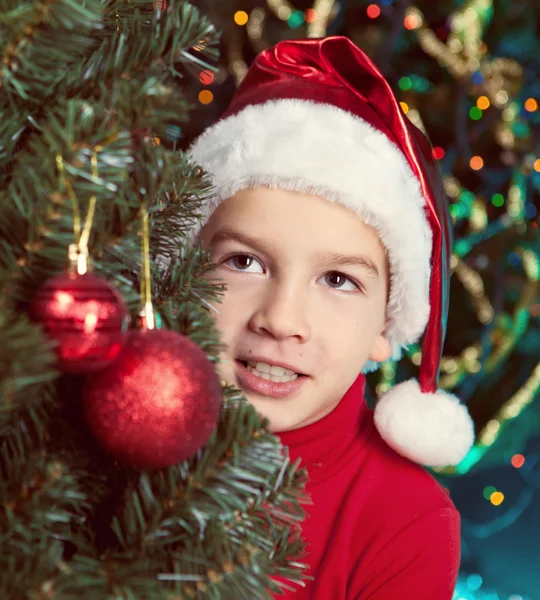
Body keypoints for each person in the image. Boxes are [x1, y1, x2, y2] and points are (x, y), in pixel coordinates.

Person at [186, 36, 475, 599]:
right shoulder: (97, 434)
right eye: (244, 262)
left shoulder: (405, 522)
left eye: (338, 280)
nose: (281, 319)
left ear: (384, 326)